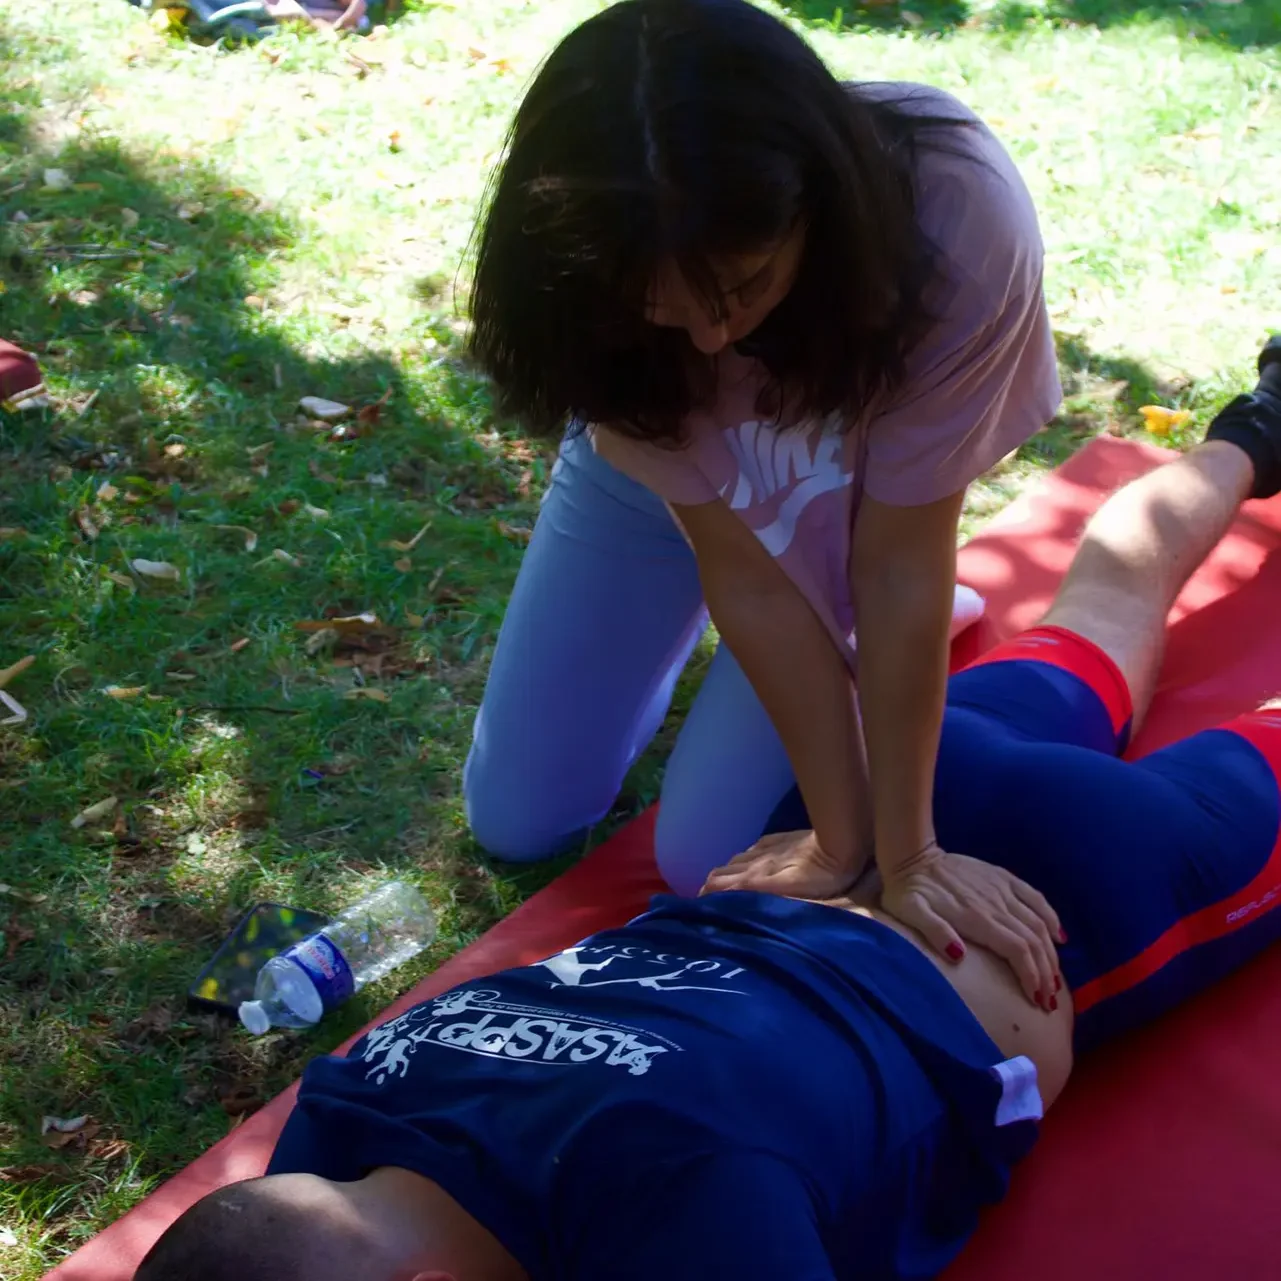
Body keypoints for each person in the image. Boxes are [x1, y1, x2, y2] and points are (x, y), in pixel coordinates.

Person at [135, 352, 1281, 1280]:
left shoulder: (684, 1215)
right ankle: (1259, 425)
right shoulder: (355, 1097)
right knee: (1107, 592)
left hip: (1066, 899)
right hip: (893, 804)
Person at [461, 0, 1064, 991]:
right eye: (655, 305)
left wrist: (894, 851)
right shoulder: (584, 283)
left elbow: (898, 557)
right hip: (661, 500)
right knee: (519, 817)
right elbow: (741, 574)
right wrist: (838, 833)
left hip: (855, 507)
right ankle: (744, 653)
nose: (706, 340)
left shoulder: (957, 213)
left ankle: (874, 640)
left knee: (702, 862)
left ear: (819, 208)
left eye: (741, 286)